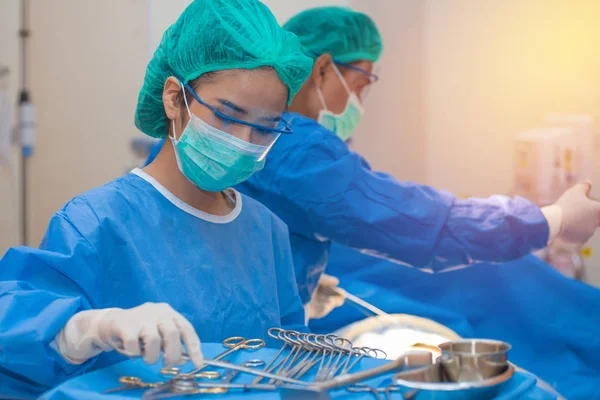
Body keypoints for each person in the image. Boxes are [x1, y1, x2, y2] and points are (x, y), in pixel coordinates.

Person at [144, 6, 600, 322]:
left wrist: (287, 288)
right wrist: (551, 220)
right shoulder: (296, 149)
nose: (359, 100)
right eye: (360, 83)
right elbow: (414, 222)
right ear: (321, 70)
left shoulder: (208, 138)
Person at [0, 0, 313, 396]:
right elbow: (12, 325)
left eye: (265, 127)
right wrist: (85, 327)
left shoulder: (266, 230)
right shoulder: (96, 221)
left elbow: (291, 359)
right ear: (173, 98)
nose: (243, 142)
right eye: (228, 116)